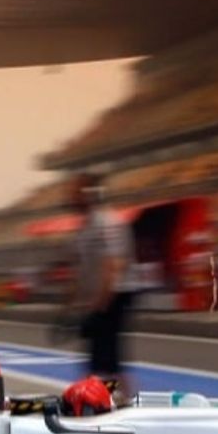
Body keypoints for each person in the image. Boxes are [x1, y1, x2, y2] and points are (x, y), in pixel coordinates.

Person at [68, 173, 137, 406]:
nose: (71, 199)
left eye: (76, 193)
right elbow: (81, 267)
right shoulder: (84, 227)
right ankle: (102, 397)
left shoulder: (108, 222)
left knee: (108, 354)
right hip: (99, 298)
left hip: (115, 294)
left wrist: (100, 304)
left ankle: (125, 399)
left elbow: (113, 266)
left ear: (89, 195)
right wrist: (76, 304)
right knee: (98, 357)